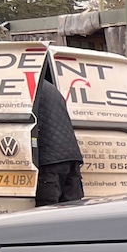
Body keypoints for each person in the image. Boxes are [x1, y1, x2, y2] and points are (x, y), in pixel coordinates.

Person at [32, 56, 84, 205]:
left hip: (50, 159)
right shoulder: (51, 88)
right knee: (71, 208)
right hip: (71, 155)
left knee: (48, 209)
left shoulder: (31, 90)